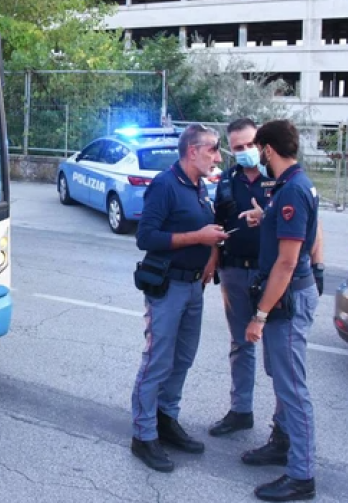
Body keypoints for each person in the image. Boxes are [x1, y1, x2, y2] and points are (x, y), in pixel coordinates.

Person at [210, 119, 325, 439]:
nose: (247, 151)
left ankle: (284, 430)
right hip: (235, 271)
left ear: (263, 146)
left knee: (279, 360)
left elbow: (311, 229)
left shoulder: (281, 178)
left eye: (251, 145)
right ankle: (240, 411)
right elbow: (218, 221)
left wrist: (318, 268)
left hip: (272, 277)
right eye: (238, 147)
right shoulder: (227, 180)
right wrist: (213, 261)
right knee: (240, 344)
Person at [130, 123, 229, 472]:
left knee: (183, 358)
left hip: (194, 286)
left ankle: (166, 419)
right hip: (168, 286)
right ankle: (143, 435)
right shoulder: (165, 185)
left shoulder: (199, 186)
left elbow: (205, 230)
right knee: (158, 361)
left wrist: (212, 252)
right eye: (213, 149)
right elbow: (146, 238)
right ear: (192, 150)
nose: (218, 157)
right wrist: (197, 238)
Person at [240, 119, 321, 502]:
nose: (254, 155)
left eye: (257, 148)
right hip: (286, 297)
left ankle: (301, 476)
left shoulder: (292, 191)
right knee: (281, 375)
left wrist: (259, 316)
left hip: (286, 300)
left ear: (268, 150)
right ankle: (283, 442)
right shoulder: (290, 186)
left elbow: (287, 263)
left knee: (292, 387)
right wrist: (265, 217)